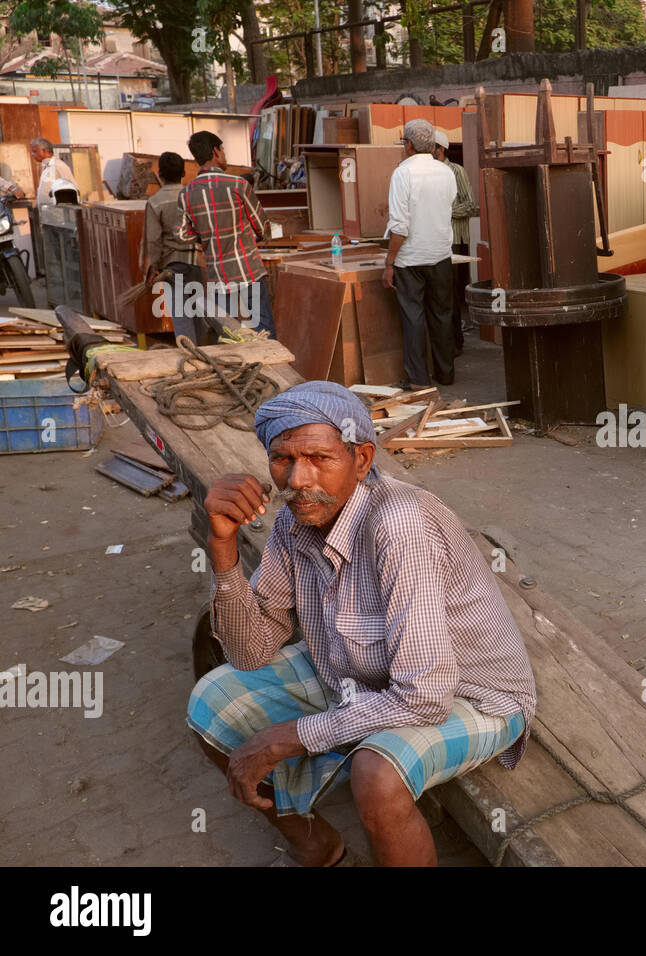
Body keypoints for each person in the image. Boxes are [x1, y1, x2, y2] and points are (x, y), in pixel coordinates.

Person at [188, 381, 536, 866]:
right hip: (358, 672)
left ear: (363, 459)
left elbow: (425, 695)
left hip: (466, 692)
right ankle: (317, 844)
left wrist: (291, 736)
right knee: (212, 701)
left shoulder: (400, 526)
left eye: (320, 458)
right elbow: (250, 653)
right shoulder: (295, 519)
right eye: (282, 459)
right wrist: (223, 547)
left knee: (377, 775)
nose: (299, 478)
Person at [178, 130, 276, 338]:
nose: (224, 154)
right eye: (222, 149)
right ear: (216, 151)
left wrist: (206, 236)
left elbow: (183, 235)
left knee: (230, 335)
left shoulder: (186, 194)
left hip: (219, 277)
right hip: (248, 270)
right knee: (263, 331)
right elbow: (262, 227)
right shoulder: (239, 185)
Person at [383, 119, 457, 389]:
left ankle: (418, 380)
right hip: (440, 254)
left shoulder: (402, 173)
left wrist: (389, 263)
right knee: (442, 314)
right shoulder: (445, 172)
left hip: (410, 258)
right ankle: (446, 373)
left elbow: (400, 226)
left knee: (413, 318)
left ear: (409, 144)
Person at [144, 152, 206, 342]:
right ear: (184, 172)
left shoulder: (155, 202)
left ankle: (191, 359)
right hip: (199, 263)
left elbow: (153, 240)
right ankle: (208, 357)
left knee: (182, 318)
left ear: (159, 173)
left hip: (172, 266)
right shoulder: (194, 196)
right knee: (202, 315)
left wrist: (153, 268)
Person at [433, 130, 479, 345]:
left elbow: (471, 205)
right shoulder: (429, 172)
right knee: (441, 292)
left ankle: (456, 341)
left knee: (450, 291)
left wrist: (443, 212)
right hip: (436, 238)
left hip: (454, 239)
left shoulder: (456, 171)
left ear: (440, 149)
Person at [29, 138, 74, 208]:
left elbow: (72, 190)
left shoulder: (59, 166)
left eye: (35, 151)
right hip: (46, 212)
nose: (32, 154)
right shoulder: (46, 166)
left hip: (57, 212)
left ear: (43, 151)